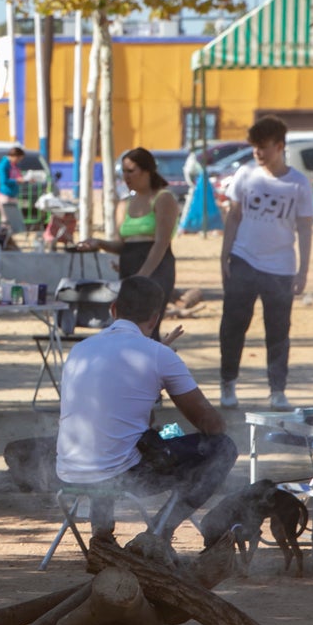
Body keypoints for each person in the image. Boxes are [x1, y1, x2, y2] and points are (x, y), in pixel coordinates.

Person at [56, 275, 237, 541]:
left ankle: (102, 533)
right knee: (223, 447)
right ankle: (159, 533)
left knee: (121, 437)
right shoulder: (159, 355)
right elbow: (211, 425)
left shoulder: (81, 350)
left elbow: (129, 416)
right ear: (155, 317)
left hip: (69, 471)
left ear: (114, 309)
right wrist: (159, 363)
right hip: (118, 474)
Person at [219, 115, 313, 411]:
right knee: (233, 325)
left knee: (278, 332)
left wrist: (303, 271)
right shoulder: (246, 174)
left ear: (280, 146)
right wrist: (225, 255)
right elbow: (234, 215)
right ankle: (228, 382)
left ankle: (277, 391)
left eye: (264, 147)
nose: (258, 153)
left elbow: (305, 228)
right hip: (243, 259)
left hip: (281, 268)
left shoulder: (298, 183)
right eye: (254, 147)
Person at [76, 147, 179, 339]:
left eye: (131, 171)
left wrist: (143, 276)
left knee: (147, 328)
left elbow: (161, 242)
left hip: (155, 266)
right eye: (123, 171)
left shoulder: (163, 198)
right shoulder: (125, 204)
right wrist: (98, 243)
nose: (126, 176)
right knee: (126, 329)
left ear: (147, 171)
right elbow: (120, 244)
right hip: (129, 268)